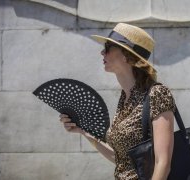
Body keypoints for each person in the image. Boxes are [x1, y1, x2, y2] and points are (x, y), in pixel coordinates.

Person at [59, 23, 176, 180]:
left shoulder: (157, 94)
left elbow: (163, 163)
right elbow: (121, 161)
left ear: (126, 55)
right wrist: (83, 131)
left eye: (108, 47)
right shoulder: (124, 98)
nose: (102, 52)